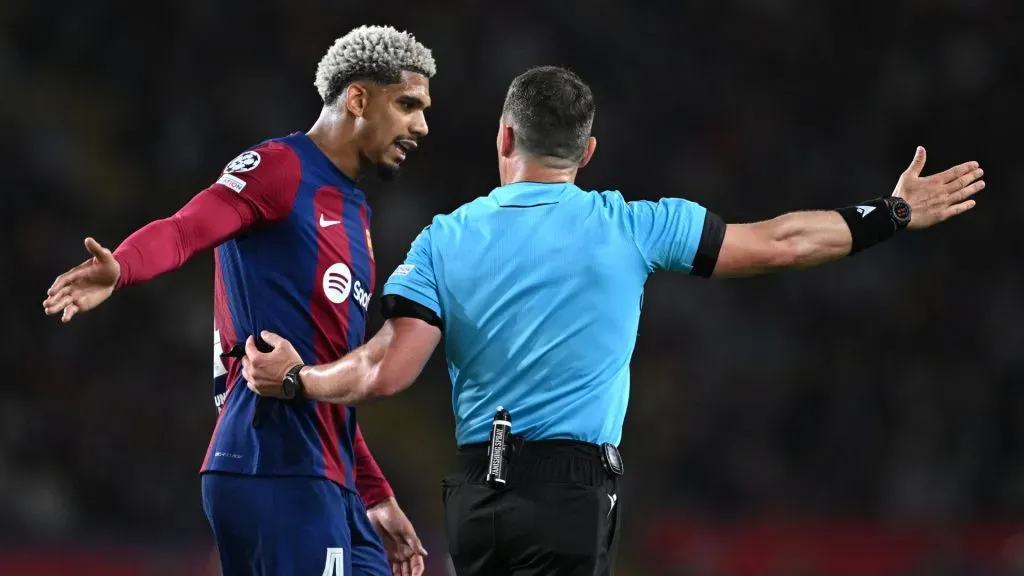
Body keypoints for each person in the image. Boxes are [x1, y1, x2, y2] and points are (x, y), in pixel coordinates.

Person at [238, 65, 986, 576]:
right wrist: (890, 213)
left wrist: (298, 378)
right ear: (587, 151)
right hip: (571, 490)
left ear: (504, 137)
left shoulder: (443, 238)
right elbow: (785, 242)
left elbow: (384, 370)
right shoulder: (631, 224)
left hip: (475, 492)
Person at [42, 25, 436, 576]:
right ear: (358, 97)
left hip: (327, 475)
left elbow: (320, 374)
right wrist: (124, 267)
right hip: (272, 465)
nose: (421, 124)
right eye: (408, 104)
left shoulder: (356, 211)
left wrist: (374, 492)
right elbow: (185, 230)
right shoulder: (280, 167)